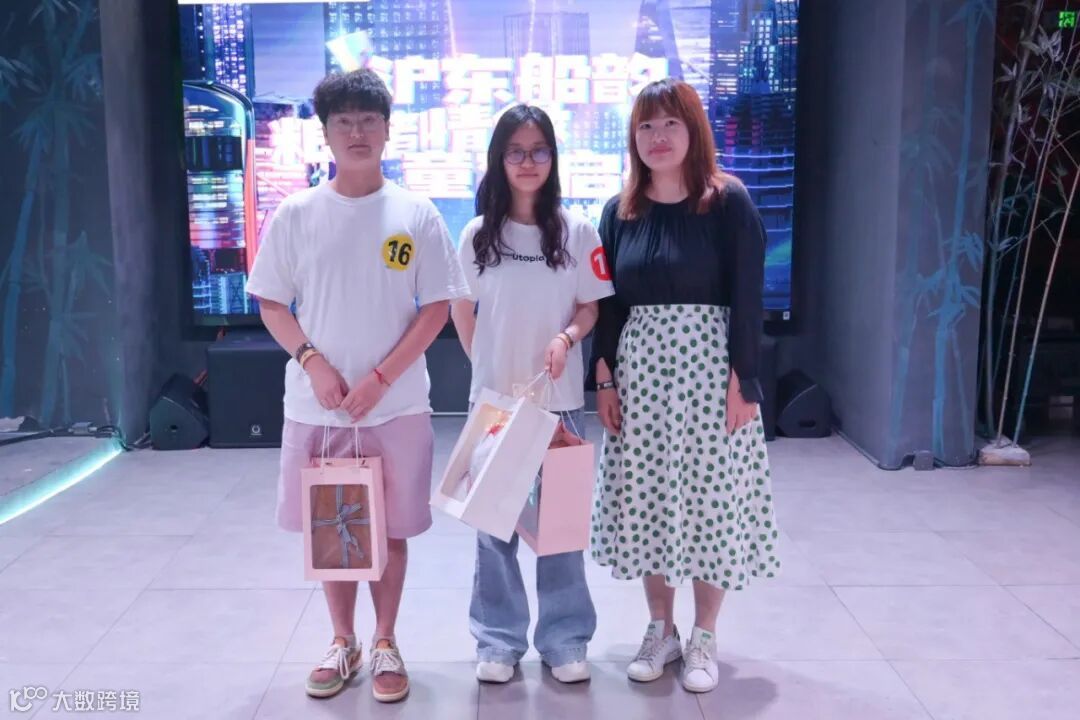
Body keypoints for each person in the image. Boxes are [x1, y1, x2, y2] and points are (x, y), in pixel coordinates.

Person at [246, 69, 468, 703]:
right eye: (343, 121)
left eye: (368, 120)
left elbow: (437, 307)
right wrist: (313, 362)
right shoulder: (298, 214)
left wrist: (379, 378)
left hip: (397, 406)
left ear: (388, 129)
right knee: (334, 525)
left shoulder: (415, 214)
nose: (357, 132)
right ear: (325, 134)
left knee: (390, 529)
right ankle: (342, 640)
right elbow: (272, 302)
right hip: (318, 408)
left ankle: (386, 639)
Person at [588, 78, 780, 693]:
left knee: (708, 502)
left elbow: (747, 296)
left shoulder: (728, 202)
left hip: (710, 374)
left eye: (670, 123)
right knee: (648, 499)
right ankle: (660, 629)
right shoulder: (619, 212)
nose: (658, 136)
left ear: (693, 129)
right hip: (641, 378)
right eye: (646, 126)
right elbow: (608, 305)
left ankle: (704, 636)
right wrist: (604, 378)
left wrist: (744, 380)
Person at [451, 104, 613, 684]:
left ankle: (565, 641)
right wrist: (487, 367)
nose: (527, 162)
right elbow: (462, 309)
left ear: (553, 158)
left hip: (561, 402)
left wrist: (566, 338)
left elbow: (590, 307)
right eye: (515, 151)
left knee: (560, 530)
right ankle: (498, 642)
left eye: (538, 150)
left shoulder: (577, 231)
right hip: (497, 405)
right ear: (499, 159)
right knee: (493, 530)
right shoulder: (477, 235)